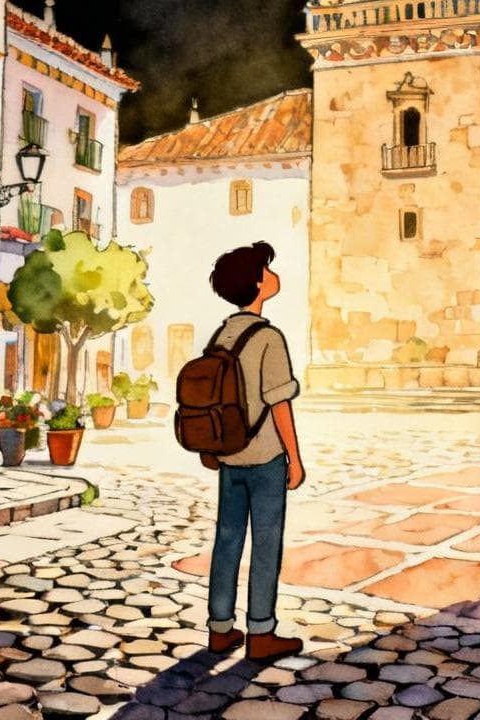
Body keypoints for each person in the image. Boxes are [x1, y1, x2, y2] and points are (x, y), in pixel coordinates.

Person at [204, 240, 306, 663]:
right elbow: (279, 403)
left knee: (226, 540)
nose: (274, 273)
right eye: (268, 267)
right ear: (259, 282)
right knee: (266, 543)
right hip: (264, 457)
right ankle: (261, 632)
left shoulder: (220, 333)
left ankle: (220, 629)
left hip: (229, 456)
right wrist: (295, 459)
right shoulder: (267, 338)